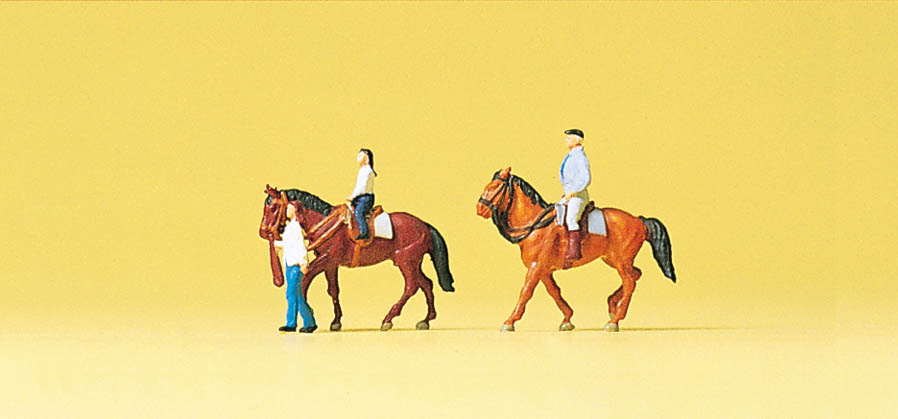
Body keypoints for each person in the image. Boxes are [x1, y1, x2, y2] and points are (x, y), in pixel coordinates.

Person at [273, 203, 317, 333]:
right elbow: (289, 244)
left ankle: (291, 323)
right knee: (297, 296)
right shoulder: (290, 227)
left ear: (295, 210)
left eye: (289, 208)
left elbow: (300, 245)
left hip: (296, 265)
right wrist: (277, 244)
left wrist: (304, 262)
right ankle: (309, 321)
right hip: (289, 264)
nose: (287, 210)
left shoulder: (296, 227)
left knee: (291, 294)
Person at [559, 129, 591, 266]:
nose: (566, 140)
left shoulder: (580, 157)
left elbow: (585, 179)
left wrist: (573, 190)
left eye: (569, 138)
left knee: (571, 219)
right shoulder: (571, 156)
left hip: (578, 195)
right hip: (569, 194)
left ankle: (574, 251)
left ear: (577, 140)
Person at [347, 148, 377, 240]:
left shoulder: (368, 171)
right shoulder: (362, 170)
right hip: (360, 197)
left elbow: (362, 188)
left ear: (367, 158)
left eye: (360, 155)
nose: (358, 157)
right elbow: (358, 186)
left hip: (365, 198)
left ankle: (364, 232)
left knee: (358, 212)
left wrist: (353, 196)